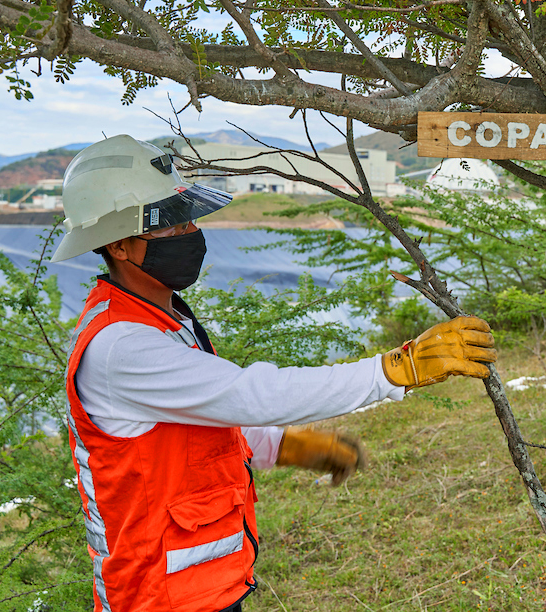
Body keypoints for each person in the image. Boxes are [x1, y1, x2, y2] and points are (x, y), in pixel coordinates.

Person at [51, 135, 497, 612]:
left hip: (204, 587)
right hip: (157, 597)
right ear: (119, 245)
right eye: (171, 225)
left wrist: (282, 446)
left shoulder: (163, 321)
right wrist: (392, 370)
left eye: (189, 218)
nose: (190, 232)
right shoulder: (122, 347)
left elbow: (203, 417)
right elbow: (251, 393)